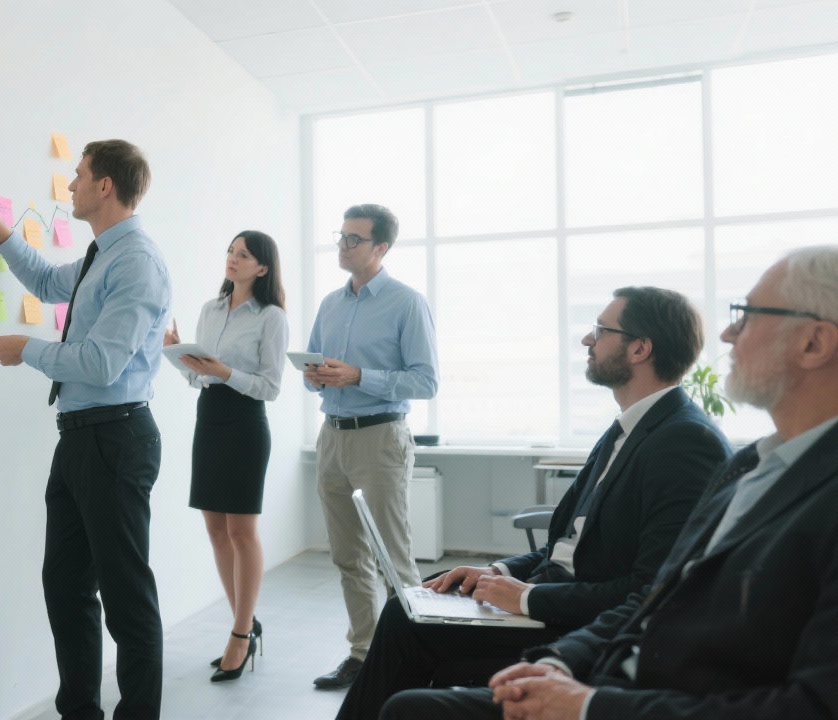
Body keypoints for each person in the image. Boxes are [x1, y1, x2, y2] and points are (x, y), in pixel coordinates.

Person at [380, 245, 838, 720]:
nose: (728, 333)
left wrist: (588, 704)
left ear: (814, 343)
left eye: (748, 315)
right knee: (411, 676)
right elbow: (657, 597)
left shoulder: (694, 445)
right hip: (615, 671)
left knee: (412, 706)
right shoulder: (751, 464)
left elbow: (808, 703)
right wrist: (560, 662)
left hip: (646, 697)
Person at [334, 286, 732, 719]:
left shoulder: (685, 443)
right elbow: (567, 547)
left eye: (601, 330)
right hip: (551, 597)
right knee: (409, 608)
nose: (588, 340)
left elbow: (651, 591)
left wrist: (528, 598)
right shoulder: (629, 428)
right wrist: (498, 572)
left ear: (640, 349)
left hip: (578, 627)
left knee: (408, 636)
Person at [0, 139, 171, 720]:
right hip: (81, 438)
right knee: (67, 586)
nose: (72, 185)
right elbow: (50, 282)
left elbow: (102, 363)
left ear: (105, 186)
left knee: (126, 598)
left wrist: (26, 349)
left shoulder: (137, 263)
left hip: (115, 438)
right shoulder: (103, 256)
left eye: (79, 176)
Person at [304, 204, 440, 690]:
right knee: (347, 555)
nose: (343, 245)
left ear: (381, 248)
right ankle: (362, 654)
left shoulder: (407, 303)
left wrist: (360, 376)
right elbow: (313, 376)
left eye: (354, 239)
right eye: (341, 236)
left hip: (381, 437)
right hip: (332, 436)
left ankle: (415, 660)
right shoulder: (330, 304)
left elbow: (426, 382)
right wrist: (315, 375)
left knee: (393, 559)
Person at [163, 231, 289, 683]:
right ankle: (246, 623)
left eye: (244, 255)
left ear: (262, 267)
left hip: (245, 423)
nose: (233, 259)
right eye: (231, 252)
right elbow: (200, 380)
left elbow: (270, 387)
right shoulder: (210, 310)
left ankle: (239, 634)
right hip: (209, 418)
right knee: (216, 530)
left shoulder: (271, 317)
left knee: (241, 531)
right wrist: (178, 355)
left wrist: (224, 371)